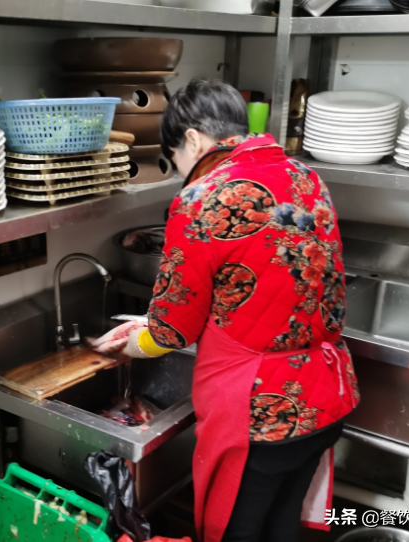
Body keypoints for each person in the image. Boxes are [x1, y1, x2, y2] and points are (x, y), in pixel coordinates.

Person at [93, 79, 360, 542]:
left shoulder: (199, 200)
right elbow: (255, 287)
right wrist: (155, 323)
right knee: (279, 525)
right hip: (325, 396)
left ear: (193, 139)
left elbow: (171, 332)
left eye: (174, 158)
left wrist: (136, 341)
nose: (181, 173)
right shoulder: (306, 176)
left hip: (262, 414)